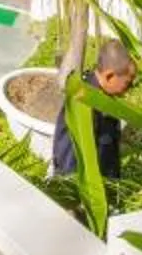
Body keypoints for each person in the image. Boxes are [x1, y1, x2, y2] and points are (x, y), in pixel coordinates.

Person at [49, 36, 137, 185]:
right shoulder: (84, 104)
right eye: (127, 83)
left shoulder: (102, 96)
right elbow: (70, 157)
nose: (130, 88)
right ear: (109, 76)